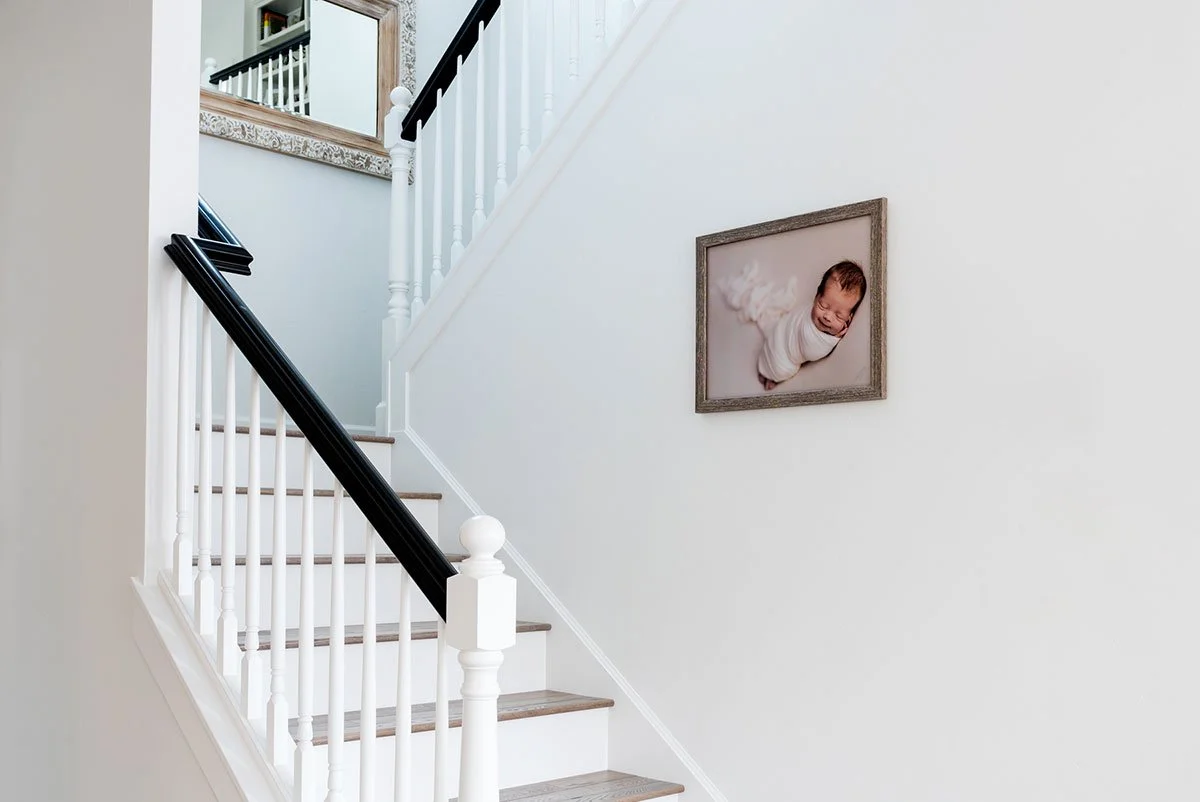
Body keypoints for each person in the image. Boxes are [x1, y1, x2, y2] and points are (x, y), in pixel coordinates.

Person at [718, 259, 866, 391]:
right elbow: (812, 352)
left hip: (783, 348)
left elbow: (812, 349)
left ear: (849, 319)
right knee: (780, 368)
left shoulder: (821, 323)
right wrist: (834, 338)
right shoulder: (809, 325)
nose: (827, 316)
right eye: (823, 305)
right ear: (816, 297)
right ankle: (769, 375)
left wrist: (831, 337)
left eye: (838, 315)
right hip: (780, 337)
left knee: (780, 367)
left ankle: (768, 375)